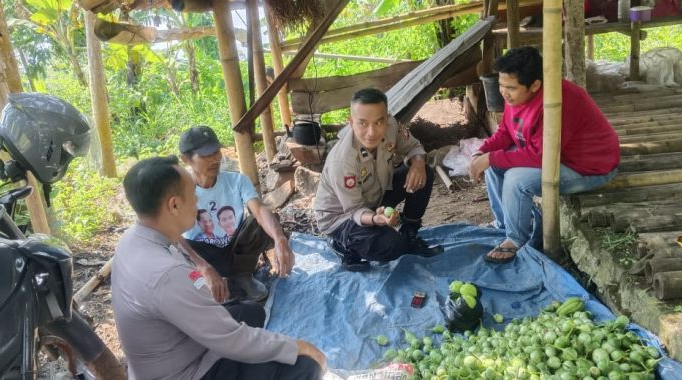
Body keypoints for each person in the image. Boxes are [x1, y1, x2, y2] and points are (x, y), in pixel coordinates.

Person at [112, 156, 325, 380]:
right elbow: (232, 340)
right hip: (188, 371)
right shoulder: (167, 275)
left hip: (173, 350)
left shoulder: (131, 239)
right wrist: (298, 347)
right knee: (305, 365)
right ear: (174, 205)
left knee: (250, 313)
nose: (197, 200)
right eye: (191, 193)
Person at [469, 46, 620, 263]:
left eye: (510, 87)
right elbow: (506, 131)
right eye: (501, 85)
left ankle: (515, 240)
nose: (503, 92)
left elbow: (542, 156)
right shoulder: (515, 95)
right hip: (553, 157)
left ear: (535, 85)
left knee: (515, 179)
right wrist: (482, 152)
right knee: (494, 165)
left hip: (589, 169)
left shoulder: (559, 100)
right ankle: (504, 223)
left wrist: (491, 158)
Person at [314, 88, 443, 272]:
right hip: (342, 217)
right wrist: (376, 219)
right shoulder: (343, 161)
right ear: (351, 123)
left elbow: (413, 147)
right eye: (363, 124)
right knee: (392, 246)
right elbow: (355, 211)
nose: (372, 132)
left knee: (424, 174)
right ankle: (342, 245)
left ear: (387, 117)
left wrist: (418, 162)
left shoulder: (391, 125)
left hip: (376, 196)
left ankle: (410, 233)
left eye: (379, 122)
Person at [179, 125, 295, 301]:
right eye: (205, 155)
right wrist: (203, 267)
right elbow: (171, 235)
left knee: (261, 223)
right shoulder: (179, 191)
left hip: (236, 250)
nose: (214, 159)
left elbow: (259, 209)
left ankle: (242, 276)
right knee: (176, 248)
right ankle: (208, 280)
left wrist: (280, 239)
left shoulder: (237, 181)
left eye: (216, 152)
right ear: (185, 159)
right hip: (203, 255)